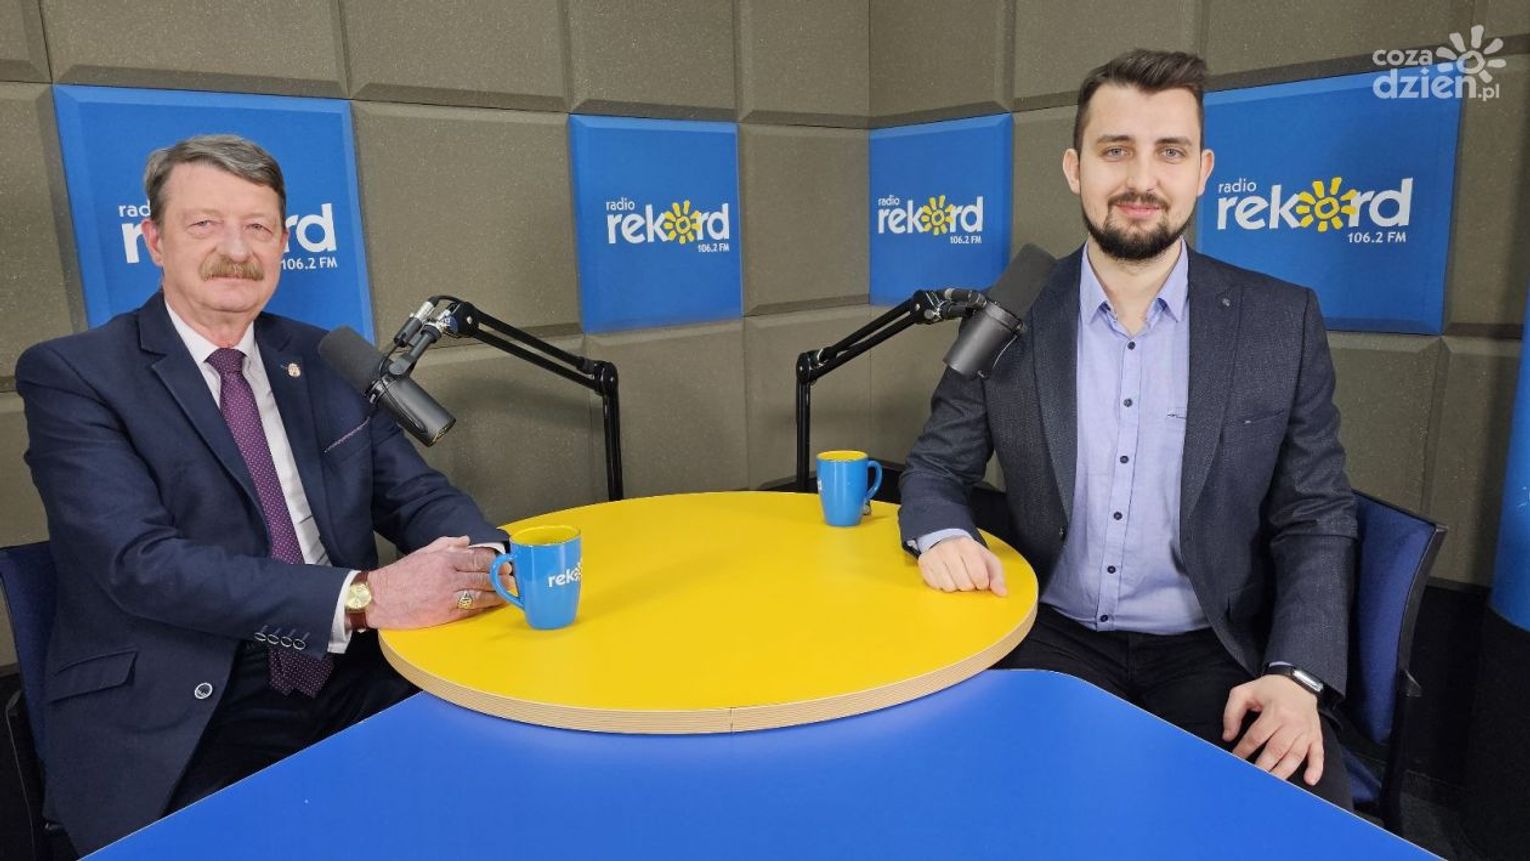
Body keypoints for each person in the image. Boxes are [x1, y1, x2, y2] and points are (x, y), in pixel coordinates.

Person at [17, 134, 512, 852]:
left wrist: (484, 558)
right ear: (154, 240)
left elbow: (417, 496)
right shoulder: (74, 374)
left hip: (357, 665)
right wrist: (364, 596)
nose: (236, 249)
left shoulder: (323, 355)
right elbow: (140, 562)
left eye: (258, 226)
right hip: (191, 698)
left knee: (498, 789)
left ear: (283, 243)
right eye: (204, 224)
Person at [898, 50, 1355, 808]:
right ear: (1075, 168)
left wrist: (1296, 674)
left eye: (1169, 152)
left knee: (1304, 821)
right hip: (1048, 638)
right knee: (979, 807)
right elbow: (937, 468)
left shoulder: (1282, 321)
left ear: (1202, 171)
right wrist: (942, 534)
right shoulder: (1011, 311)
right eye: (1116, 150)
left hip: (1215, 652)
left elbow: (1317, 514)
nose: (1142, 179)